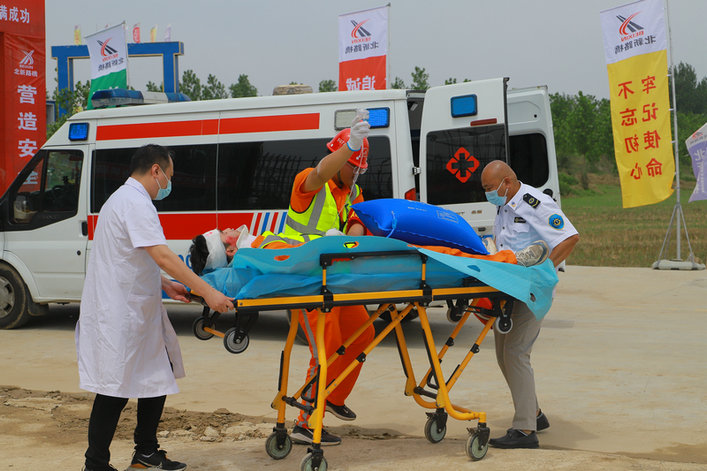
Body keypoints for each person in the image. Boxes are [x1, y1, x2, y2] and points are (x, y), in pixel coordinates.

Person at [75, 144, 235, 471]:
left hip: (133, 309)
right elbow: (161, 255)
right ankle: (95, 464)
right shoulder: (135, 203)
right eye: (170, 177)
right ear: (156, 171)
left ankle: (146, 451)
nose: (169, 184)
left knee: (157, 375)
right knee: (115, 389)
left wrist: (165, 284)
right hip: (122, 313)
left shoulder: (120, 200)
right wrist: (208, 292)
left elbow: (131, 255)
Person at [480, 160, 579, 449]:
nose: (488, 194)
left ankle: (525, 430)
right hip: (510, 288)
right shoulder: (504, 205)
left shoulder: (535, 203)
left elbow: (570, 237)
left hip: (532, 290)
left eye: (490, 188)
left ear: (507, 182)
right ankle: (534, 414)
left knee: (515, 353)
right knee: (503, 355)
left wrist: (543, 271)